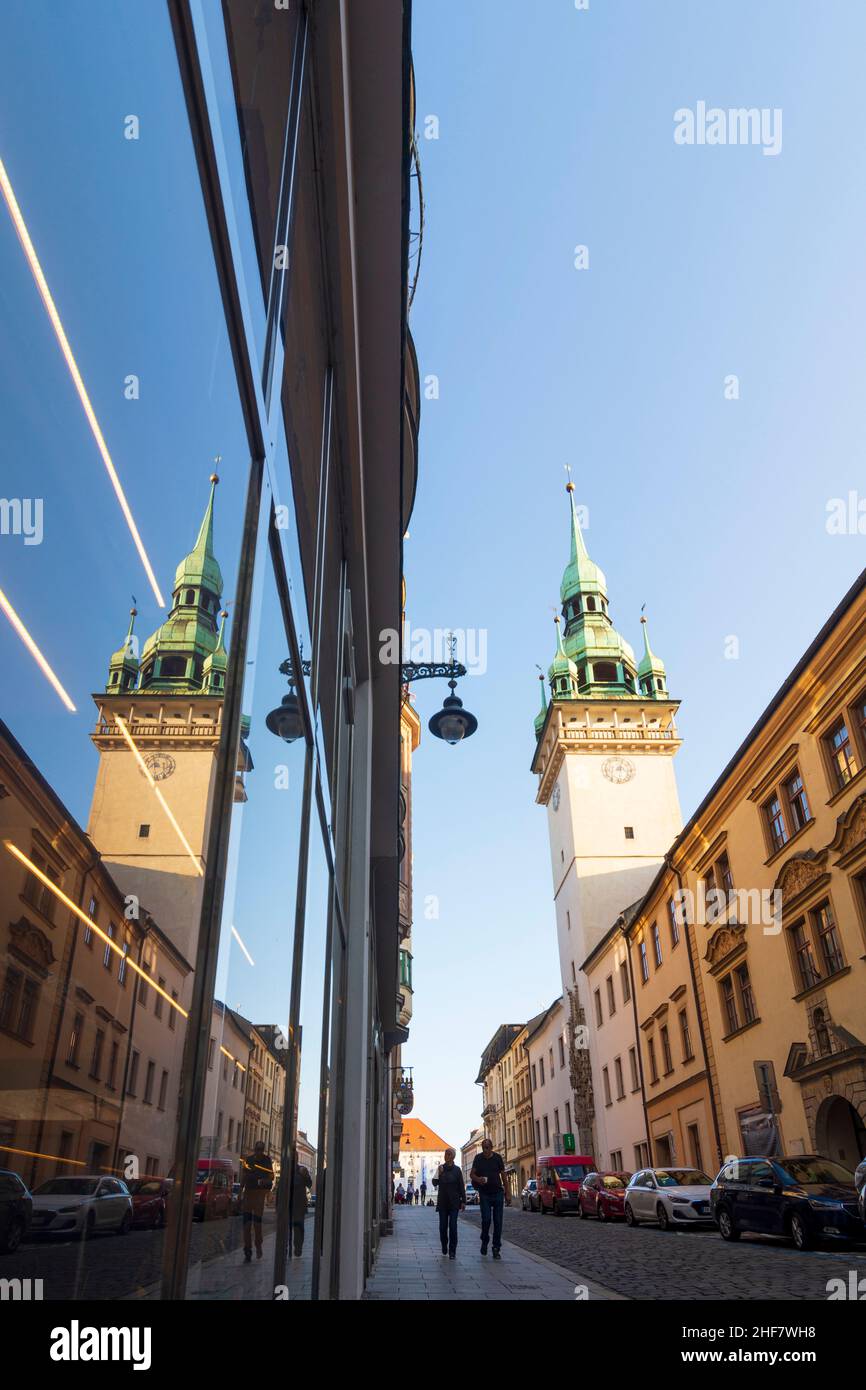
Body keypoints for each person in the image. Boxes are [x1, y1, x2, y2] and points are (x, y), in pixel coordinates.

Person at [470, 1137, 509, 1259]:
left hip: (497, 1193)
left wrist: (507, 1192)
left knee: (498, 1222)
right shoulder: (478, 1158)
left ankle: (496, 1247)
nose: (485, 1150)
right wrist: (478, 1179)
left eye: (487, 1147)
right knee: (486, 1219)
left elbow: (503, 1176)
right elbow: (472, 1174)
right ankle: (485, 1239)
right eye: (483, 1148)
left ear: (491, 1148)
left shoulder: (497, 1158)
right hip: (485, 1193)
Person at [240, 1139, 274, 1262]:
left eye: (260, 1149)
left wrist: (265, 1182)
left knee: (257, 1224)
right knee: (247, 1225)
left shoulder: (267, 1160)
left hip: (259, 1195)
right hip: (249, 1194)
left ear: (263, 1150)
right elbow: (244, 1176)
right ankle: (247, 1250)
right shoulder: (248, 1160)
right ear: (255, 1149)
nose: (258, 1151)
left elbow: (271, 1177)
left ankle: (258, 1245)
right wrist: (240, 1192)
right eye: (257, 1149)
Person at [432, 1148, 465, 1257]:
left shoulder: (457, 1170)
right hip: (442, 1202)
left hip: (454, 1202)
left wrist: (463, 1201)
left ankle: (452, 1251)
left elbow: (461, 1186)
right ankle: (444, 1245)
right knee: (442, 1227)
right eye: (445, 1154)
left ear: (453, 1156)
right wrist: (439, 1174)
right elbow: (434, 1183)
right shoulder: (441, 1168)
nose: (446, 1156)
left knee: (453, 1226)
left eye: (449, 1154)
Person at [289, 1154, 313, 1257]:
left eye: (295, 1157)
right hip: (288, 1204)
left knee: (298, 1226)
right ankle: (286, 1248)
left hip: (299, 1205)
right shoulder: (286, 1170)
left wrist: (306, 1175)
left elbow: (309, 1184)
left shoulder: (302, 1170)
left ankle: (298, 1247)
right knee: (288, 1227)